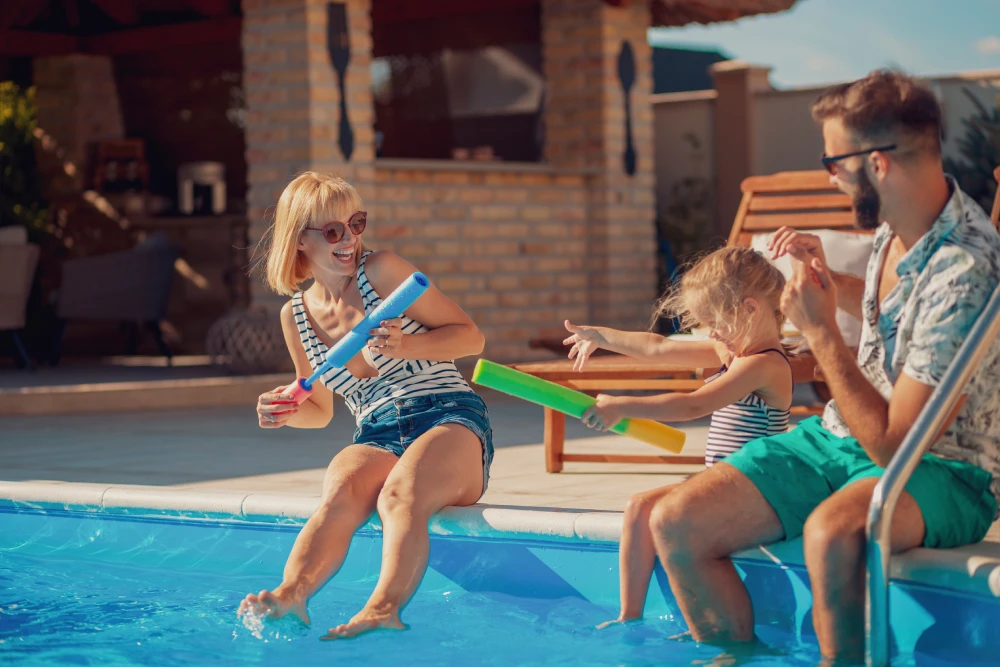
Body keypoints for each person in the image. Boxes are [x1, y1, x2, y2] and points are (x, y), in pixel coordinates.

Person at [641, 69, 1000, 661]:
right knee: (678, 522)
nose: (830, 174)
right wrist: (829, 282)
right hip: (841, 437)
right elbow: (897, 301)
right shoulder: (900, 228)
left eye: (835, 161)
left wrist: (820, 330)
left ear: (878, 163)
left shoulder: (965, 270)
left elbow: (896, 447)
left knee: (831, 536)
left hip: (944, 468)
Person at [237, 172, 494, 639]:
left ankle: (382, 609)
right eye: (333, 230)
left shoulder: (383, 272)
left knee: (401, 495)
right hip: (375, 432)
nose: (350, 239)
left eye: (356, 223)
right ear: (299, 240)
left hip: (446, 413)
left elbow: (471, 337)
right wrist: (286, 410)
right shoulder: (295, 316)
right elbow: (319, 410)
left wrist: (406, 347)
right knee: (340, 492)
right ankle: (292, 594)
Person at [561, 246, 794, 626]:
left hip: (755, 490)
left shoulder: (764, 364)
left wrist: (624, 407)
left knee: (676, 525)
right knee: (639, 507)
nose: (713, 335)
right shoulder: (731, 351)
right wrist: (600, 336)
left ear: (750, 310)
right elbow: (660, 347)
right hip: (722, 482)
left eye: (716, 324)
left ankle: (714, 621)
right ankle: (629, 617)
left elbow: (693, 406)